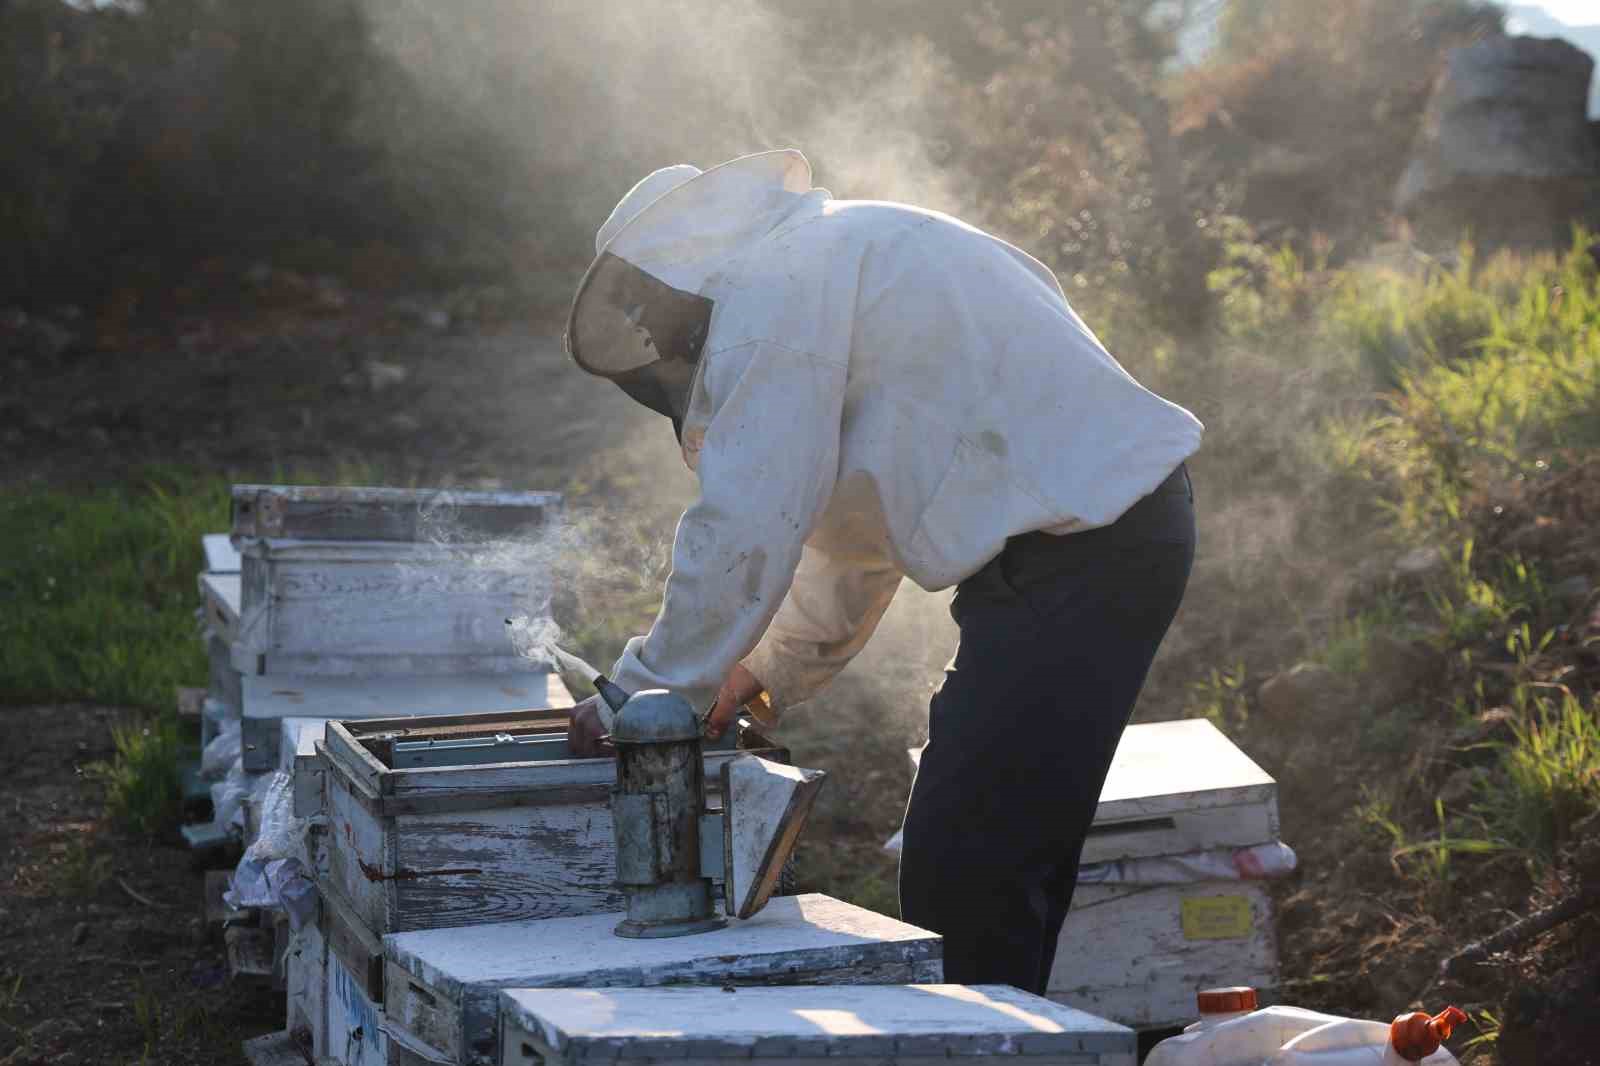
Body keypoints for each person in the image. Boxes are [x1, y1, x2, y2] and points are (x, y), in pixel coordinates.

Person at [563, 149, 1201, 995]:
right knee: (990, 849)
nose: (652, 330)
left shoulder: (775, 290)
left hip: (1081, 548)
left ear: (678, 262)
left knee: (968, 859)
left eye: (645, 300)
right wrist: (753, 670)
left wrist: (645, 697)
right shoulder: (824, 266)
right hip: (1094, 542)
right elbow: (851, 546)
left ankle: (988, 1049)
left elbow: (750, 518)